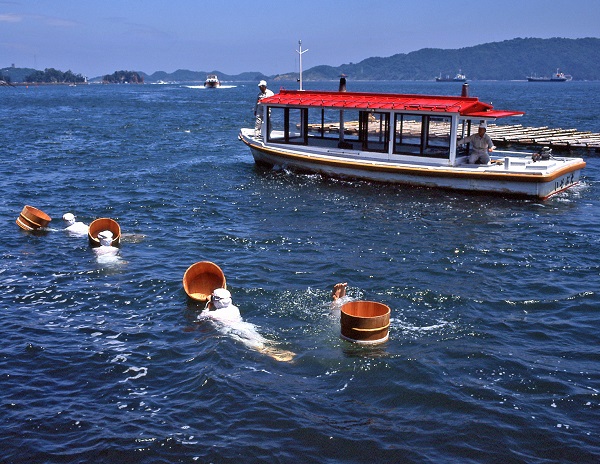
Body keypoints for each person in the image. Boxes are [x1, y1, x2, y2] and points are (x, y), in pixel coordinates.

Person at [200, 287, 295, 362]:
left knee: (254, 346)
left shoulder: (215, 314)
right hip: (245, 326)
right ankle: (281, 349)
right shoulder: (234, 308)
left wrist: (208, 303)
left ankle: (275, 355)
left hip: (233, 331)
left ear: (216, 300)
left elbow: (200, 317)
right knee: (260, 339)